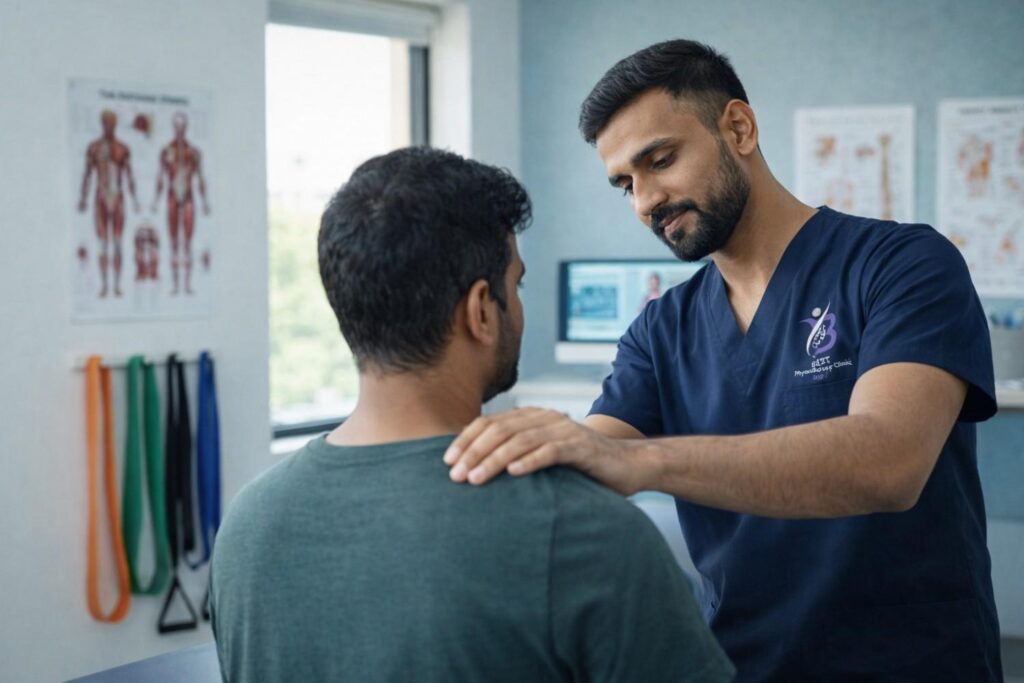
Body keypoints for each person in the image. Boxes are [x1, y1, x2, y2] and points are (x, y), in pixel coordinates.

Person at [444, 40, 1002, 681]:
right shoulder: (660, 329)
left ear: (738, 127)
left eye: (661, 160)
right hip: (739, 668)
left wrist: (640, 461)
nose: (645, 201)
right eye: (626, 183)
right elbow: (587, 464)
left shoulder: (901, 264)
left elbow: (890, 461)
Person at [209, 147, 734, 683]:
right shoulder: (584, 534)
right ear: (481, 311)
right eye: (516, 285)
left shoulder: (247, 529)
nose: (520, 304)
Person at [77, 109, 140, 298]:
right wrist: (83, 198)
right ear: (101, 123)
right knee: (103, 243)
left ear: (116, 124)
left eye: (112, 122)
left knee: (119, 243)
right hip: (101, 197)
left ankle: (117, 286)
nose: (109, 125)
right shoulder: (93, 148)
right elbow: (87, 174)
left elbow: (129, 175)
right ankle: (105, 286)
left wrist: (135, 199)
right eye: (106, 122)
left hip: (119, 198)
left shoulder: (123, 148)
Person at [152, 111, 209, 295]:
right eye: (176, 126)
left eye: (182, 125)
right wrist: (155, 201)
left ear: (186, 127)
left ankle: (188, 285)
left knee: (188, 243)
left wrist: (205, 202)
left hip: (189, 199)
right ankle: (175, 285)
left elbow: (200, 178)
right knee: (174, 242)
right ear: (173, 127)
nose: (179, 129)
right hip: (172, 199)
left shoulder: (194, 153)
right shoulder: (166, 151)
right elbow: (160, 178)